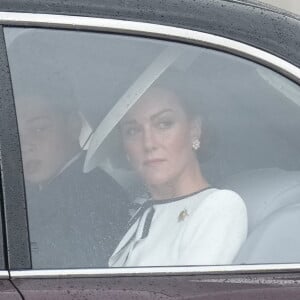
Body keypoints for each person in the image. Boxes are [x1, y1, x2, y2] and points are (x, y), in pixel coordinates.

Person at [107, 86, 247, 267]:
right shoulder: (143, 209)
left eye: (164, 124)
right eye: (133, 131)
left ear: (194, 129)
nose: (149, 143)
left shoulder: (219, 206)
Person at [15, 71, 130, 268]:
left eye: (39, 129)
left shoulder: (94, 200)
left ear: (73, 125)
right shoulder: (35, 190)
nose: (24, 145)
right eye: (16, 133)